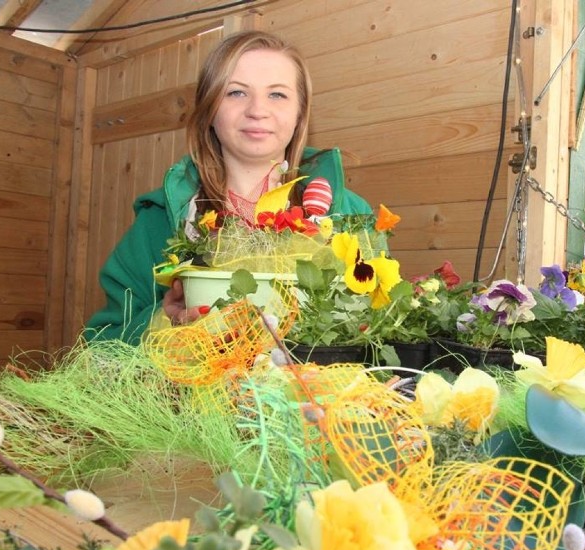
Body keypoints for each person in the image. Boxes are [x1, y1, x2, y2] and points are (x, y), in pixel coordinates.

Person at [84, 31, 371, 345]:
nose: (257, 110)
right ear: (209, 110)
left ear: (300, 111)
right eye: (236, 93)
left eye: (277, 94)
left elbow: (380, 335)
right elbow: (102, 342)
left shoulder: (351, 215)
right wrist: (164, 321)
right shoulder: (158, 222)